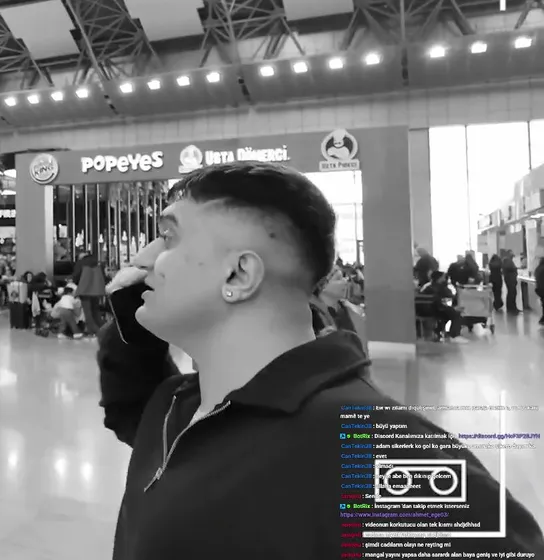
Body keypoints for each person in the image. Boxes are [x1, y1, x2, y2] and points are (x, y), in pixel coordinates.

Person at [97, 161, 544, 558]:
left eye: (168, 237)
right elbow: (130, 405)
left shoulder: (368, 447)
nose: (142, 259)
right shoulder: (179, 407)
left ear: (239, 273)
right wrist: (132, 322)